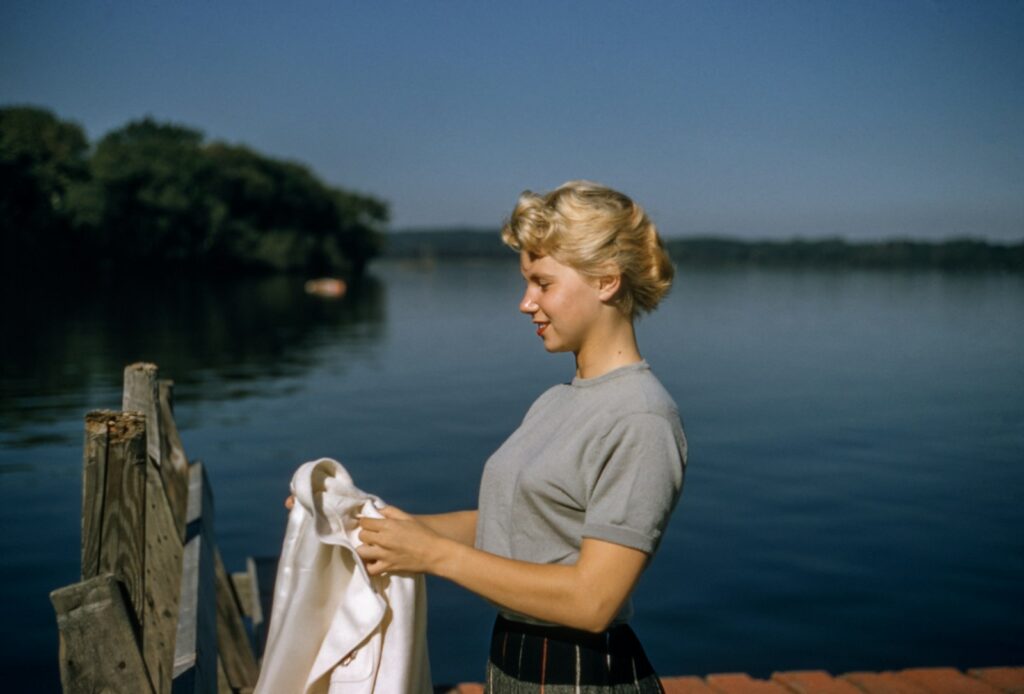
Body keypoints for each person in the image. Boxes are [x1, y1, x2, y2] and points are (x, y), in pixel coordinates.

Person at [294, 180, 687, 692]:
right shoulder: (559, 399)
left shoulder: (642, 417)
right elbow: (513, 523)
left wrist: (435, 557)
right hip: (513, 666)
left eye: (543, 284)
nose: (526, 303)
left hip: (580, 677)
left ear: (606, 281)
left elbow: (593, 603)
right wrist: (369, 523)